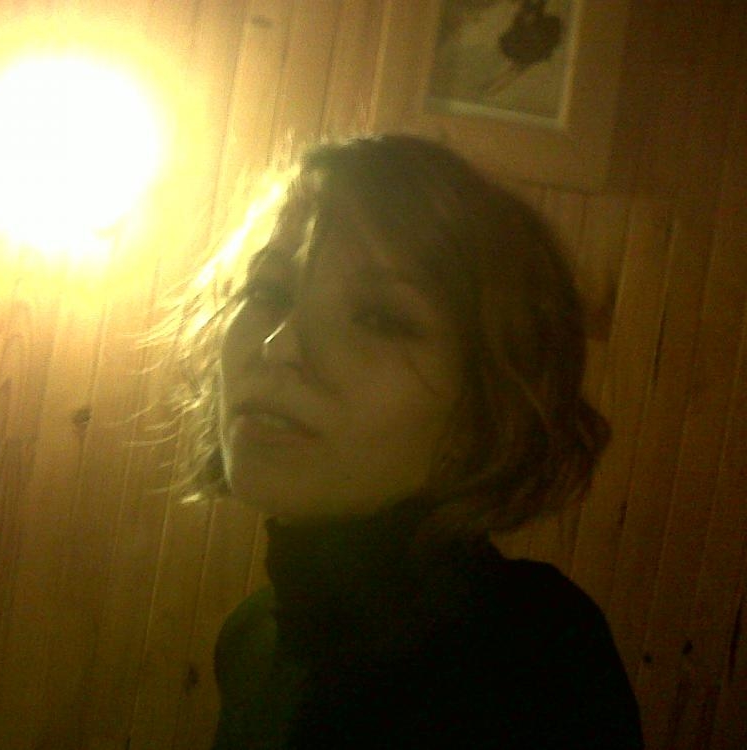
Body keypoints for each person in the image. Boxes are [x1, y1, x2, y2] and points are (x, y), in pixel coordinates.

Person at [171, 135, 643, 748]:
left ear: (483, 407)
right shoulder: (253, 641)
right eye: (268, 292)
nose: (279, 347)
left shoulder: (531, 657)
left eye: (379, 319)